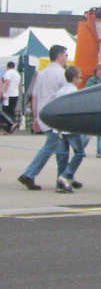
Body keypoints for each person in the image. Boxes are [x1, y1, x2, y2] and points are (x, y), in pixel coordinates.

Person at [17, 45, 70, 190]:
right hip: (56, 115)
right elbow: (67, 95)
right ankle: (31, 174)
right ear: (59, 56)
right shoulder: (61, 74)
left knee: (59, 146)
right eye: (65, 55)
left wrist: (35, 117)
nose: (66, 58)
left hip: (42, 113)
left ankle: (64, 176)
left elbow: (34, 97)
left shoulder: (41, 73)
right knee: (55, 146)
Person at [52, 66, 89, 192]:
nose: (80, 80)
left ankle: (60, 183)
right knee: (79, 152)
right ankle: (66, 175)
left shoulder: (60, 91)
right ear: (74, 78)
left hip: (59, 128)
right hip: (71, 128)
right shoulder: (74, 91)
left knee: (62, 157)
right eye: (79, 78)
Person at [1, 61, 19, 133]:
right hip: (15, 94)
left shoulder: (8, 73)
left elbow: (7, 82)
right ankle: (9, 128)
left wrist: (3, 92)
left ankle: (12, 123)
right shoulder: (17, 73)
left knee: (5, 111)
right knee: (11, 110)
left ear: (7, 66)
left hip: (8, 95)